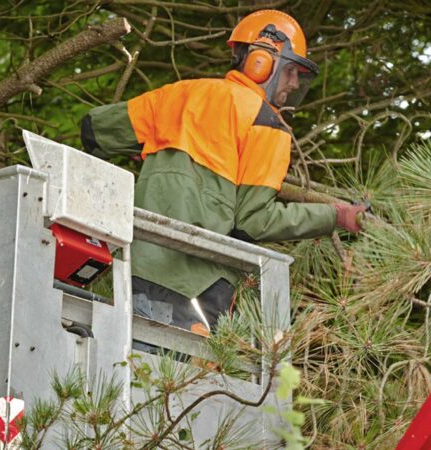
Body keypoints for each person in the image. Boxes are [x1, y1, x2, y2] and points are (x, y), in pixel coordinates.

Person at [80, 9, 366, 335]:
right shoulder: (266, 123)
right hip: (197, 286)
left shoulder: (180, 94)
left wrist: (149, 150)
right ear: (261, 61)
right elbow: (253, 221)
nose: (294, 83)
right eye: (291, 71)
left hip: (136, 272)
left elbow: (94, 130)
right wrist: (335, 216)